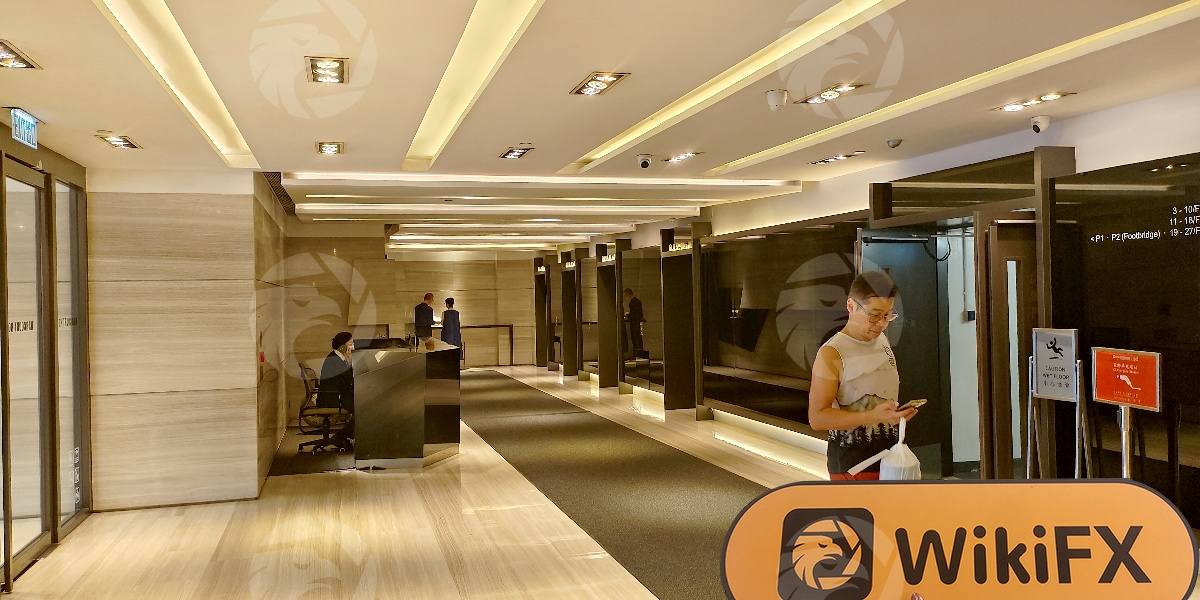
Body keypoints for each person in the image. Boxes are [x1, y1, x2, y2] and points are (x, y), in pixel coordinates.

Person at [808, 271, 918, 480]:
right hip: (853, 466)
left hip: (891, 458)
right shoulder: (831, 353)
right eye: (874, 315)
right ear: (851, 306)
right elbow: (817, 418)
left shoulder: (882, 340)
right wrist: (873, 416)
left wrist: (895, 415)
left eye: (888, 316)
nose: (882, 324)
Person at [318, 331, 355, 447]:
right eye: (350, 344)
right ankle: (340, 436)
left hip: (336, 395)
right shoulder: (335, 359)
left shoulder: (337, 357)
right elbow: (350, 379)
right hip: (332, 398)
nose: (353, 347)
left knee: (363, 405)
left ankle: (344, 436)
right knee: (363, 408)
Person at [623, 288, 644, 357]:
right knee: (638, 339)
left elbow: (634, 315)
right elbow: (638, 313)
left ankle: (636, 355)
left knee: (635, 340)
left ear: (628, 294)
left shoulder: (632, 302)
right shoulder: (637, 301)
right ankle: (640, 354)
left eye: (625, 295)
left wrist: (628, 315)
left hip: (634, 323)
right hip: (638, 323)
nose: (625, 297)